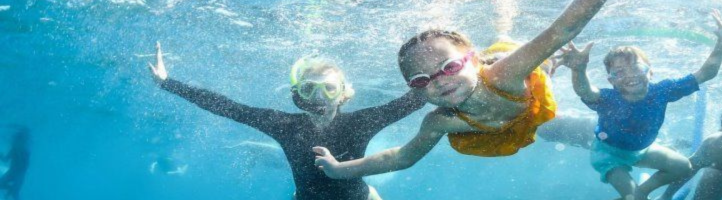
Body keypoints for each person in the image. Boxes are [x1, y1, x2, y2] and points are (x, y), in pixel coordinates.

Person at [312, 0, 609, 179]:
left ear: (473, 60)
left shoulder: (505, 74)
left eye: (449, 67)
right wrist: (340, 169)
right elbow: (401, 157)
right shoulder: (439, 120)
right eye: (421, 79)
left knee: (534, 62)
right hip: (504, 117)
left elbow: (564, 30)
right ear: (414, 90)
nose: (439, 80)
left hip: (513, 77)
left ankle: (507, 31)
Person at [147, 43, 426, 200]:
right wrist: (167, 83)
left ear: (343, 92)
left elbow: (410, 101)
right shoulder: (284, 125)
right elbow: (229, 108)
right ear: (297, 95)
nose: (320, 97)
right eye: (309, 89)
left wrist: (442, 77)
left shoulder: (361, 122)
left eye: (328, 88)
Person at [554, 9, 722, 200]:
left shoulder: (662, 91)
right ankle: (636, 196)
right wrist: (578, 70)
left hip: (642, 150)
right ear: (611, 80)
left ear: (650, 73)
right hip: (609, 155)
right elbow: (585, 90)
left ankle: (641, 192)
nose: (630, 75)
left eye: (636, 68)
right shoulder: (608, 99)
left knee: (684, 167)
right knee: (636, 198)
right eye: (619, 72)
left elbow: (706, 73)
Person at [0, 125, 29, 200]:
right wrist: (1, 155)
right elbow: (5, 160)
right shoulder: (13, 150)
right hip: (12, 172)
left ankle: (12, 191)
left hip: (19, 174)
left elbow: (25, 167)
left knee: (15, 194)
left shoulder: (25, 152)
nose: (15, 143)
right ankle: (10, 190)